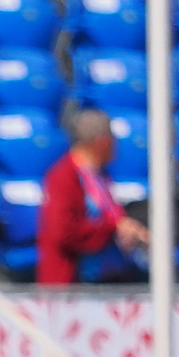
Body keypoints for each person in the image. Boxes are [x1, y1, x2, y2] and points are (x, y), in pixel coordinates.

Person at [37, 109, 151, 289]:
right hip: (73, 286)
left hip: (105, 280)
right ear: (103, 143)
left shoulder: (99, 176)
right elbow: (63, 231)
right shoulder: (63, 177)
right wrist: (113, 229)